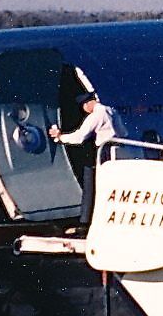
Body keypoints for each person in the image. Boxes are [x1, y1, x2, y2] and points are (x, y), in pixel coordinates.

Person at [48, 91, 116, 228]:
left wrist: (60, 137)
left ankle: (85, 222)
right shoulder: (110, 110)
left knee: (90, 178)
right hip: (117, 151)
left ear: (87, 104)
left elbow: (80, 137)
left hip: (105, 153)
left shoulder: (96, 115)